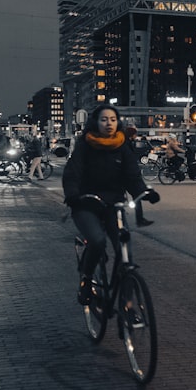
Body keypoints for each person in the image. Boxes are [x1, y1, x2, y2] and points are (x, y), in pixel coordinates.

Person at [62, 105, 158, 305]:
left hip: (114, 205)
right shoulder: (85, 145)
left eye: (113, 120)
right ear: (96, 122)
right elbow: (73, 173)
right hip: (86, 204)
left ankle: (128, 305)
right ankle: (86, 281)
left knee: (125, 252)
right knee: (97, 241)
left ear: (118, 122)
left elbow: (132, 176)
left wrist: (144, 193)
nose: (109, 123)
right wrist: (72, 195)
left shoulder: (122, 146)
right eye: (104, 119)